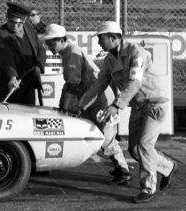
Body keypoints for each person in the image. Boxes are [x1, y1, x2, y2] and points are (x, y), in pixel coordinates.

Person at [77, 21, 178, 204]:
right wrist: (81, 105)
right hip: (137, 106)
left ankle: (148, 188)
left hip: (154, 104)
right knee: (134, 149)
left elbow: (134, 82)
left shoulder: (136, 52)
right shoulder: (109, 60)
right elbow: (99, 85)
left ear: (113, 38)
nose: (99, 42)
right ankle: (168, 167)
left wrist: (116, 105)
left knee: (144, 145)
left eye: (101, 38)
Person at [40, 24, 131, 185]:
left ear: (61, 40)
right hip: (91, 97)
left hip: (98, 98)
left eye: (51, 42)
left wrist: (65, 106)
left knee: (104, 133)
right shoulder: (67, 52)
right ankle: (120, 167)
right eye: (47, 43)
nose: (48, 46)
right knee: (99, 132)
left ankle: (123, 170)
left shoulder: (72, 52)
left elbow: (72, 83)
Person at [0, 2, 46, 104]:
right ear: (7, 18)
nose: (15, 26)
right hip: (9, 86)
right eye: (11, 22)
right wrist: (12, 76)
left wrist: (39, 66)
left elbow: (40, 48)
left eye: (18, 23)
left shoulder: (29, 28)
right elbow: (5, 59)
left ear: (24, 21)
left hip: (28, 85)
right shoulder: (0, 35)